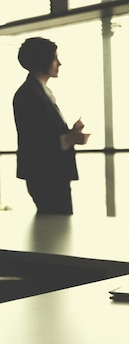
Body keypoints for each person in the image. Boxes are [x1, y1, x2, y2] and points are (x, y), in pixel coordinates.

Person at [13, 37, 90, 215]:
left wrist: (70, 133)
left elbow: (41, 133)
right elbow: (34, 140)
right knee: (56, 228)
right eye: (55, 58)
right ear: (43, 60)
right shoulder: (30, 94)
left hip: (48, 172)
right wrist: (70, 138)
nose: (59, 63)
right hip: (47, 173)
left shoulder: (36, 91)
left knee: (54, 227)